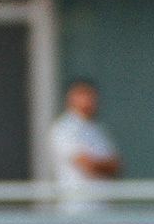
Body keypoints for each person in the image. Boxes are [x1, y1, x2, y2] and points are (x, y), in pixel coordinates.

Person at [46, 78, 119, 214]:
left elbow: (115, 166)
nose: (87, 100)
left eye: (90, 95)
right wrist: (102, 165)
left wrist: (102, 165)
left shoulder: (97, 129)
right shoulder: (64, 128)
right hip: (76, 209)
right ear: (69, 98)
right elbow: (86, 164)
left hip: (102, 208)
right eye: (81, 95)